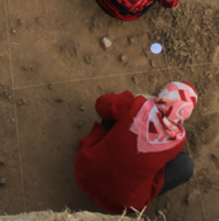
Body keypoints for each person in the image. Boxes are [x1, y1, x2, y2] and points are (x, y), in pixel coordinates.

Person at [74, 81, 198, 214]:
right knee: (185, 165)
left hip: (86, 171)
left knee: (116, 112)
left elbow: (101, 104)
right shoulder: (177, 140)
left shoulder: (136, 105)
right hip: (124, 203)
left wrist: (129, 98)